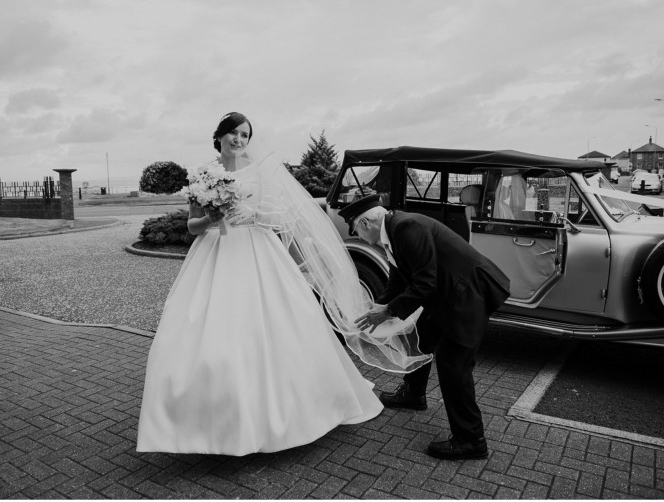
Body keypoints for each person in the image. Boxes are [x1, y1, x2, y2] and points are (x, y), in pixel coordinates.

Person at [136, 112, 384, 456]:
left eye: (245, 134)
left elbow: (281, 216)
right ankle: (205, 421)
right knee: (208, 331)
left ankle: (292, 412)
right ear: (219, 136)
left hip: (258, 250)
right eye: (234, 133)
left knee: (277, 326)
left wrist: (254, 216)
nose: (239, 140)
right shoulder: (203, 174)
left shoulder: (262, 171)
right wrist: (212, 218)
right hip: (215, 254)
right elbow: (192, 225)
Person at [339, 194, 510, 461]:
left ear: (365, 222)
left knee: (454, 364)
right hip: (447, 294)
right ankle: (414, 394)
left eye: (356, 230)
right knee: (420, 336)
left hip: (467, 294)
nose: (358, 237)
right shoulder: (392, 231)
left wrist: (388, 311)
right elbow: (398, 281)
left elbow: (425, 283)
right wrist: (377, 307)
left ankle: (470, 440)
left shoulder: (407, 228)